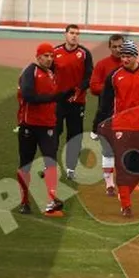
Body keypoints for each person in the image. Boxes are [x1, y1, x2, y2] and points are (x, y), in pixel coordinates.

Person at [98, 40, 139, 219]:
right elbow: (105, 103)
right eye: (122, 56)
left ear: (135, 56)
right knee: (123, 166)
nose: (124, 59)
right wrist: (100, 123)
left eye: (128, 56)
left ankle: (124, 192)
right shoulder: (114, 76)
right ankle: (126, 205)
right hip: (121, 126)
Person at [15, 42, 64, 217]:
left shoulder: (50, 73)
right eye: (46, 56)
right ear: (38, 56)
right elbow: (28, 95)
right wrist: (53, 98)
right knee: (25, 164)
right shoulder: (30, 72)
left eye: (51, 56)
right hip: (29, 125)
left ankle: (51, 200)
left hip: (48, 125)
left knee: (50, 161)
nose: (49, 59)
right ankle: (24, 201)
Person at [52, 24, 94, 180]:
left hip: (77, 102)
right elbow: (49, 73)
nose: (74, 36)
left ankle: (71, 168)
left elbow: (89, 76)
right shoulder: (55, 52)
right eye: (72, 33)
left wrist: (79, 90)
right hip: (58, 102)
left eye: (77, 33)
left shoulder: (84, 54)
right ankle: (50, 165)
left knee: (74, 135)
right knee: (54, 133)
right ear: (65, 34)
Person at [88, 33, 124, 196]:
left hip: (126, 115)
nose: (118, 49)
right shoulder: (102, 65)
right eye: (114, 47)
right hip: (107, 114)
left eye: (120, 46)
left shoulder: (130, 64)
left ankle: (123, 180)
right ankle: (109, 184)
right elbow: (93, 87)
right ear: (109, 48)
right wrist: (113, 88)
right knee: (108, 150)